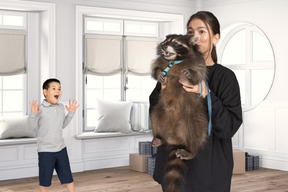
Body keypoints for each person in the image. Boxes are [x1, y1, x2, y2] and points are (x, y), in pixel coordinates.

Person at [149, 11, 243, 192]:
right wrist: (161, 92)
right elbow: (155, 109)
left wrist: (206, 94)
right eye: (190, 32)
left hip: (208, 172)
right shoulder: (171, 68)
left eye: (202, 31)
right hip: (172, 169)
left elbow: (229, 127)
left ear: (215, 38)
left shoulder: (226, 77)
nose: (195, 37)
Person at [29, 78, 79, 192]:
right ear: (45, 92)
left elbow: (62, 125)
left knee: (68, 178)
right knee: (45, 181)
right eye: (54, 88)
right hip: (45, 151)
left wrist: (71, 113)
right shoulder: (39, 109)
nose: (58, 91)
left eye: (59, 89)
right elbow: (31, 127)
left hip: (61, 148)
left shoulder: (61, 107)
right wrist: (33, 114)